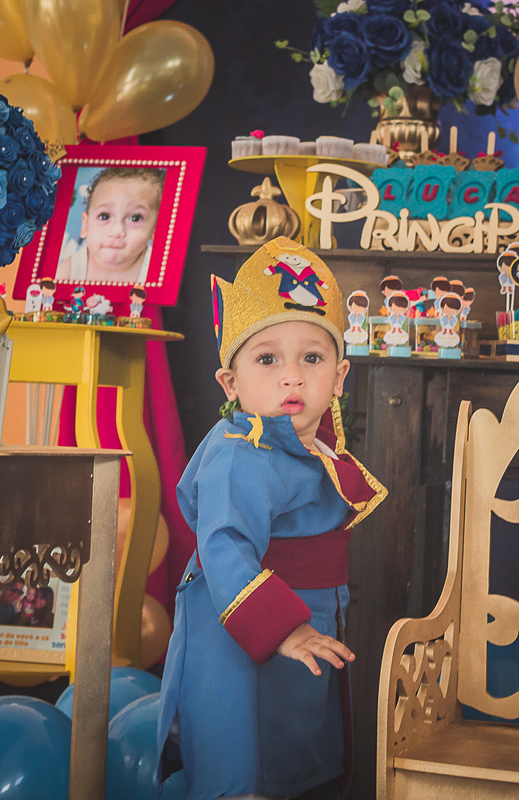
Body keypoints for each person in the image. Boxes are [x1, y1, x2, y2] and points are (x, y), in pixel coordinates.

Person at [156, 237, 387, 800]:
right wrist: (284, 628)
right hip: (240, 632)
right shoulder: (239, 453)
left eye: (312, 358)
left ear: (339, 376)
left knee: (295, 761)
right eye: (267, 359)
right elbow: (224, 545)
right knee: (243, 763)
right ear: (230, 383)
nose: (292, 377)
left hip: (304, 625)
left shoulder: (309, 446)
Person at [56, 167, 165, 284]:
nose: (116, 231)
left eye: (135, 218)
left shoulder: (159, 271)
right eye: (104, 216)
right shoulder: (68, 270)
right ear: (85, 225)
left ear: (155, 229)